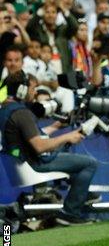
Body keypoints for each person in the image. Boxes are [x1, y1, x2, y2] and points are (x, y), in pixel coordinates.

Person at [0, 71, 96, 225]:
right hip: (34, 164)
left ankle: (82, 193)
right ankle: (71, 212)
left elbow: (28, 138)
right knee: (90, 163)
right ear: (22, 90)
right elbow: (39, 147)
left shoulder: (5, 109)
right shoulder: (22, 113)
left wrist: (55, 126)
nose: (34, 92)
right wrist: (68, 136)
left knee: (67, 153)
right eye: (32, 88)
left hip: (18, 164)